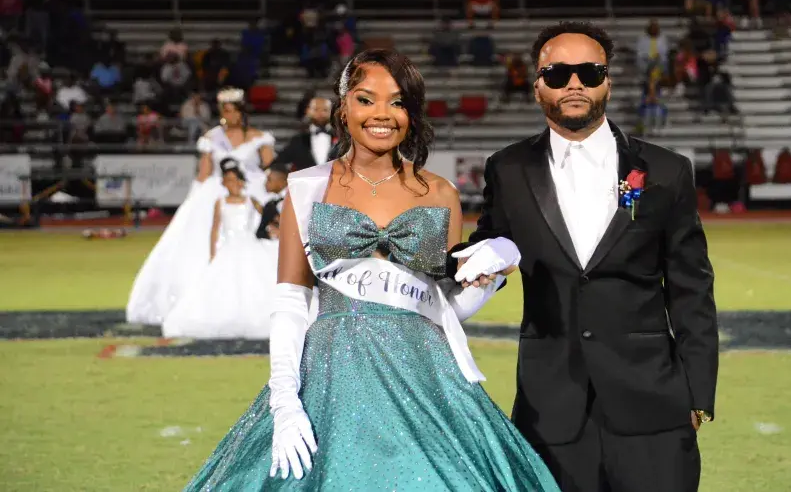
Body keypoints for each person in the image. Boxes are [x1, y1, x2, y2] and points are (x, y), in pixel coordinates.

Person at [181, 49, 560, 491]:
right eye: (366, 99)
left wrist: (492, 273)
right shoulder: (307, 188)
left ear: (412, 113)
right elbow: (290, 301)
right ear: (343, 108)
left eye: (397, 102)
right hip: (331, 378)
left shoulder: (440, 192)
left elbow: (444, 309)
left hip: (426, 380)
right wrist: (284, 401)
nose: (382, 114)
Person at [449, 21, 719, 491]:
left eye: (589, 72)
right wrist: (471, 262)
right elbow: (489, 248)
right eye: (557, 74)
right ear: (537, 86)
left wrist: (696, 392)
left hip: (654, 406)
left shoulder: (666, 170)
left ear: (607, 82)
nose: (574, 84)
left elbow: (691, 287)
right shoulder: (507, 169)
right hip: (550, 407)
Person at [125, 88, 276, 326]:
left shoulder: (259, 137)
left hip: (252, 191)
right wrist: (193, 201)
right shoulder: (211, 138)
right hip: (217, 190)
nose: (228, 116)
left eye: (232, 111)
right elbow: (204, 173)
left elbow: (271, 169)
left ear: (241, 112)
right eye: (224, 111)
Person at [161, 159, 276, 340]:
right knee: (225, 283)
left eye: (235, 180)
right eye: (228, 180)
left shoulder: (250, 201)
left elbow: (268, 216)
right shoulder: (220, 202)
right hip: (229, 248)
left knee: (253, 281)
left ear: (241, 181)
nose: (232, 184)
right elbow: (215, 229)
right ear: (223, 183)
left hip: (249, 247)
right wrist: (213, 253)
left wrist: (272, 228)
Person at [278, 96, 340, 171]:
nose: (321, 113)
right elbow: (279, 163)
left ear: (332, 112)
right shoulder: (297, 140)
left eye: (325, 110)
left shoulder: (343, 139)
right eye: (316, 109)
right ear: (308, 111)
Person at [256, 157, 290, 240]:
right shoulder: (271, 205)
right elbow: (260, 233)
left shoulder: (297, 199)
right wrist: (271, 234)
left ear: (281, 180)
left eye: (269, 180)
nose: (265, 184)